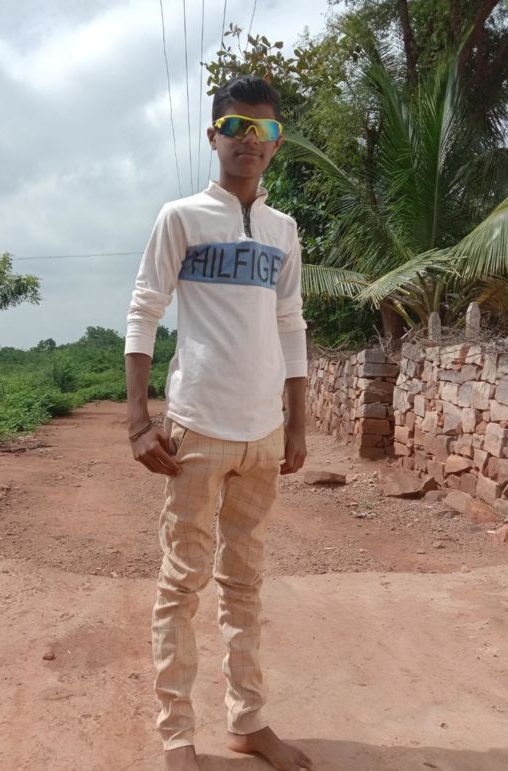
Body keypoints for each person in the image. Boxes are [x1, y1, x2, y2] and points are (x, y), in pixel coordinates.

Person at [125, 75, 312, 771]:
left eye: (263, 130)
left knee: (245, 585)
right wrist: (138, 422)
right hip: (197, 431)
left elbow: (291, 324)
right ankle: (177, 736)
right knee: (181, 585)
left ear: (276, 142)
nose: (249, 141)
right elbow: (144, 309)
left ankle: (248, 721)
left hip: (263, 436)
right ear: (215, 136)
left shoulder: (282, 230)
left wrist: (296, 423)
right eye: (236, 127)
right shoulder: (181, 218)